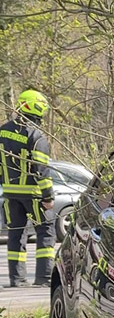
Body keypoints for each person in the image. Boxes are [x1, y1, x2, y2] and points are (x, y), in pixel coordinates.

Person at [0, 89, 55, 287]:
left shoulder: (2, 131)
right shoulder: (35, 135)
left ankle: (16, 279)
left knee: (15, 234)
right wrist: (48, 196)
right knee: (46, 231)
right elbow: (42, 169)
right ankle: (43, 278)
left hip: (10, 194)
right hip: (33, 195)